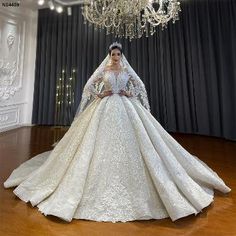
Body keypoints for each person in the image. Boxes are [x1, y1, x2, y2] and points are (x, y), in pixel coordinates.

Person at [4, 42, 231, 223]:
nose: (115, 57)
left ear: (121, 55)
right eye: (113, 54)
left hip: (125, 106)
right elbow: (88, 86)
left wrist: (129, 93)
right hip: (104, 107)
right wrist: (99, 94)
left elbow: (140, 86)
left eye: (118, 55)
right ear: (109, 55)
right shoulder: (104, 69)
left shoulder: (125, 69)